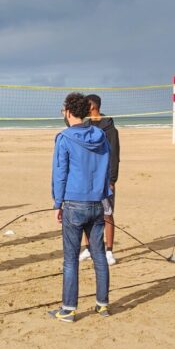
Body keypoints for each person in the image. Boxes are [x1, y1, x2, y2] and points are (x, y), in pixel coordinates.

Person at [50, 92, 111, 323]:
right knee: (99, 255)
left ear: (68, 112)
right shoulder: (100, 134)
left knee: (71, 259)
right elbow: (106, 166)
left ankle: (68, 309)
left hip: (76, 203)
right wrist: (105, 194)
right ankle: (102, 304)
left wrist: (58, 203)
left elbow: (60, 173)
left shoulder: (65, 138)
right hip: (96, 202)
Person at [79, 94, 120, 266]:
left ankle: (109, 251)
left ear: (93, 107)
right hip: (88, 179)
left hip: (104, 179)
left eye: (85, 105)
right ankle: (89, 247)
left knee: (107, 214)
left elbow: (115, 155)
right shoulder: (85, 125)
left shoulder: (109, 128)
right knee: (87, 215)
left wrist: (112, 179)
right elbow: (70, 123)